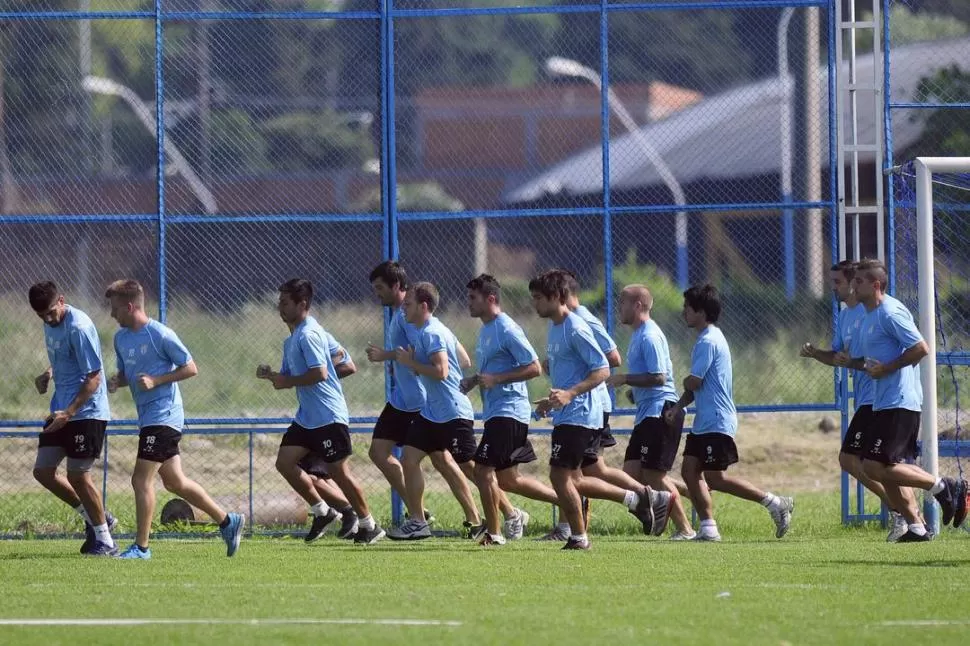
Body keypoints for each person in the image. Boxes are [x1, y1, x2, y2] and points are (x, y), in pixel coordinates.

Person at [530, 270, 670, 550]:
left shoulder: (577, 327)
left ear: (556, 297)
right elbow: (569, 375)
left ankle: (578, 536)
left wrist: (569, 394)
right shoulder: (555, 327)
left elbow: (604, 368)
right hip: (571, 412)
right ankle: (638, 498)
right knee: (581, 476)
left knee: (561, 476)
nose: (534, 304)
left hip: (581, 414)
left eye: (539, 298)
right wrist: (553, 400)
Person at [105, 279, 244, 559]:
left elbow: (190, 367)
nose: (111, 314)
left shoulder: (160, 334)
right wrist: (116, 382)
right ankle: (228, 522)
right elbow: (129, 375)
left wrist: (157, 380)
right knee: (175, 482)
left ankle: (141, 548)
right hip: (148, 417)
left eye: (115, 309)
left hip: (164, 415)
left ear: (130, 306)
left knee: (140, 480)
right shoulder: (120, 339)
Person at [257, 278, 385, 545]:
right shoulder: (292, 340)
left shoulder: (309, 334)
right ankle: (322, 510)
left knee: (339, 472)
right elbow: (301, 375)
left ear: (302, 304)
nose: (280, 308)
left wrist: (291, 381)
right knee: (284, 463)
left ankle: (368, 524)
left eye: (285, 303)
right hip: (308, 418)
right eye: (279, 302)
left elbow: (320, 372)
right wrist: (272, 376)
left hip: (327, 416)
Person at [851, 259, 968, 540]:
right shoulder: (868, 315)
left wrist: (887, 368)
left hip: (900, 400)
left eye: (859, 281)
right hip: (883, 400)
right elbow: (874, 360)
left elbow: (920, 348)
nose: (853, 285)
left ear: (875, 285)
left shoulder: (891, 312)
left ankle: (945, 486)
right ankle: (915, 526)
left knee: (874, 465)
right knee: (881, 466)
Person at [666, 284, 793, 542]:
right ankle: (708, 528)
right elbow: (695, 388)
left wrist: (685, 381)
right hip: (705, 421)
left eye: (687, 309)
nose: (684, 314)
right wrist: (678, 407)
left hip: (717, 419)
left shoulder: (708, 341)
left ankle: (774, 503)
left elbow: (695, 382)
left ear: (701, 312)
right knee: (690, 471)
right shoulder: (706, 339)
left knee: (716, 478)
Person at [800, 260, 914, 541]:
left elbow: (885, 356)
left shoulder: (876, 311)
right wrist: (817, 353)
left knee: (877, 462)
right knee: (857, 461)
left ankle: (912, 513)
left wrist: (861, 364)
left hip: (881, 397)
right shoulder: (845, 315)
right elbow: (840, 357)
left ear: (855, 283)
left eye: (837, 282)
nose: (833, 288)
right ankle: (905, 512)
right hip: (867, 398)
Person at [387, 282, 486, 540]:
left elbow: (442, 372)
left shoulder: (432, 333)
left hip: (452, 412)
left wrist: (411, 363)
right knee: (409, 459)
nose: (403, 308)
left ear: (423, 306)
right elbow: (459, 362)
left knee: (473, 469)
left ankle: (504, 516)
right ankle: (418, 522)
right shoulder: (423, 332)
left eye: (408, 304)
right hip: (432, 413)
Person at [463, 274, 557, 545]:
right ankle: (569, 500)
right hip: (496, 412)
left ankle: (494, 534)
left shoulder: (506, 328)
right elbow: (493, 370)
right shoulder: (485, 330)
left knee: (482, 471)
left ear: (490, 299)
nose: (468, 303)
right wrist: (473, 381)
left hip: (509, 411)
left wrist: (497, 379)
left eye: (473, 298)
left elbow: (534, 367)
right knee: (508, 480)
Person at [28, 281, 117, 556]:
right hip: (61, 409)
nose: (47, 319)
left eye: (51, 313)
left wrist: (70, 412)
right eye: (41, 315)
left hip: (86, 410)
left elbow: (94, 376)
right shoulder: (50, 323)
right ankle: (98, 518)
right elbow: (64, 356)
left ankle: (106, 541)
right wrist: (48, 373)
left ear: (62, 300)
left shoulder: (80, 327)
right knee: (43, 471)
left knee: (78, 474)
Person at [606, 284, 694, 540]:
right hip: (646, 412)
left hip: (660, 411)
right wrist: (635, 391)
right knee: (631, 476)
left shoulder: (649, 336)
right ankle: (682, 495)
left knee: (654, 476)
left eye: (622, 302)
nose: (618, 308)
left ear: (638, 306)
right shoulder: (637, 335)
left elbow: (659, 377)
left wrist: (625, 379)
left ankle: (686, 529)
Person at [364, 261, 434, 525]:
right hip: (401, 399)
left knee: (451, 462)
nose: (377, 293)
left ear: (396, 286)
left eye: (381, 287)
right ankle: (418, 512)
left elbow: (420, 349)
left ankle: (503, 512)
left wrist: (386, 355)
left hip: (419, 400)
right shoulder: (397, 314)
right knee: (378, 453)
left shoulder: (410, 314)